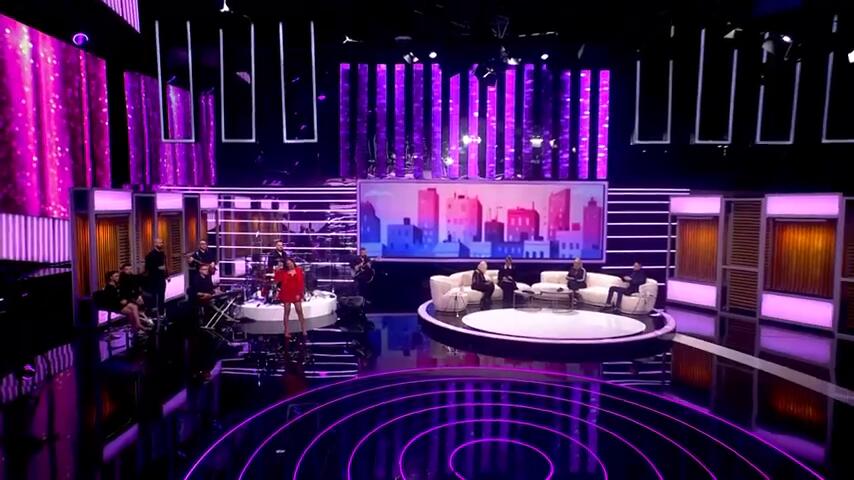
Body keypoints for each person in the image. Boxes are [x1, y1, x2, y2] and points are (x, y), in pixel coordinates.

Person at [275, 258, 307, 341]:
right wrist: (277, 271)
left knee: (299, 311)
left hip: (296, 293)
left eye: (291, 263)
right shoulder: (283, 272)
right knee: (287, 312)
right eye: (288, 263)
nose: (290, 264)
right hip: (286, 293)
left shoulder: (299, 270)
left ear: (293, 262)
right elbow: (277, 280)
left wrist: (299, 293)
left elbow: (301, 283)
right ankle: (286, 331)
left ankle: (303, 329)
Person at [144, 238, 168, 317]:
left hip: (161, 279)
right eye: (159, 243)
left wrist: (167, 275)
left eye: (161, 243)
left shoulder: (162, 254)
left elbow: (164, 265)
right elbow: (148, 268)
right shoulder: (150, 255)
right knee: (154, 297)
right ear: (155, 244)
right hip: (153, 279)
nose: (161, 244)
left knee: (162, 296)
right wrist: (158, 268)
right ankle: (153, 314)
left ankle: (161, 313)